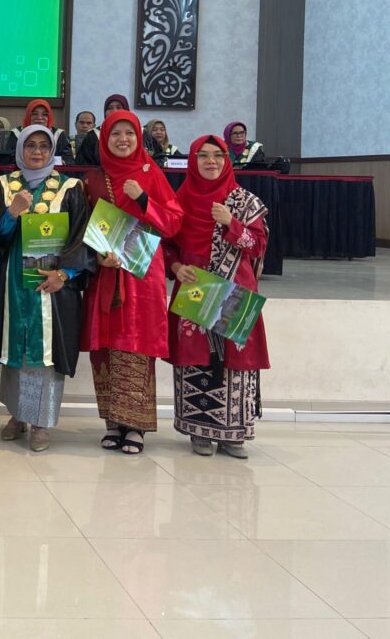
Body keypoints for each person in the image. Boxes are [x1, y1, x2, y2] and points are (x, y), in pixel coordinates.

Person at [0, 125, 95, 451]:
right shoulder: (4, 185)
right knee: (15, 349)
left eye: (44, 146)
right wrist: (10, 213)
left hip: (53, 286)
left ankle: (41, 422)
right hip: (13, 283)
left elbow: (82, 236)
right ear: (19, 149)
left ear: (52, 151)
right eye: (29, 145)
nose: (36, 151)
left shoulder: (70, 187)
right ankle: (18, 415)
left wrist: (65, 274)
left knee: (45, 354)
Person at [81, 111, 183, 455]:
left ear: (139, 138)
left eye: (129, 133)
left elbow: (174, 223)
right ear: (104, 139)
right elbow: (83, 226)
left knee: (136, 343)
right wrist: (97, 257)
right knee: (107, 345)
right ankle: (112, 423)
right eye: (115, 134)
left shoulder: (151, 174)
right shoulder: (93, 179)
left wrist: (143, 199)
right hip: (106, 272)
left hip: (141, 276)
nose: (122, 139)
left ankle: (136, 426)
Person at [165, 136, 270, 458]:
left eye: (218, 156)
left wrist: (231, 223)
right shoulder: (180, 201)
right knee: (195, 358)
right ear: (192, 161)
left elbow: (258, 246)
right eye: (203, 156)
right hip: (196, 288)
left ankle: (233, 434)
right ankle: (198, 431)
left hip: (234, 290)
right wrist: (176, 266)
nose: (211, 161)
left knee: (235, 363)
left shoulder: (244, 201)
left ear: (227, 161)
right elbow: (166, 243)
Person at [21, 98, 74, 165]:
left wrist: (62, 162)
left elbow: (69, 160)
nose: (39, 118)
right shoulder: (18, 134)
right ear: (28, 116)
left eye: (44, 114)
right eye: (34, 114)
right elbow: (11, 160)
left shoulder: (58, 134)